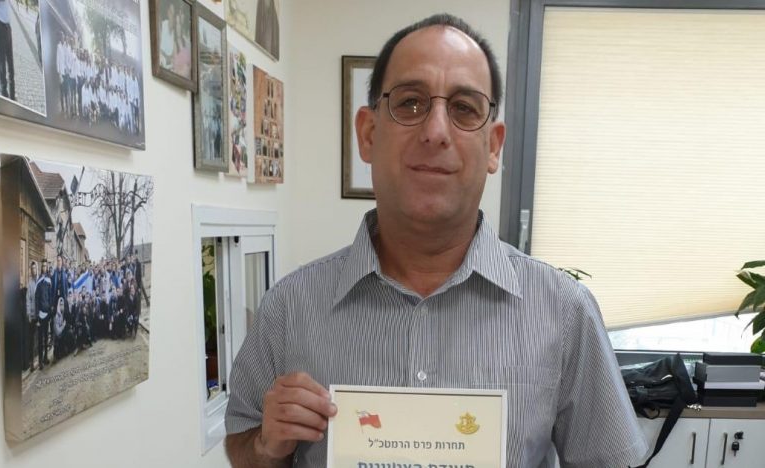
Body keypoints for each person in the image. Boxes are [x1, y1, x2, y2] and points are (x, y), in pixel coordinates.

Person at [224, 14, 647, 468]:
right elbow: (240, 444)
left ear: (493, 146)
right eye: (410, 103)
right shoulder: (289, 308)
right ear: (368, 134)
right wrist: (266, 446)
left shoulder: (564, 313)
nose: (436, 131)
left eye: (464, 108)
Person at [0, 0, 15, 100]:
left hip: (8, 26)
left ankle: (12, 94)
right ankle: (4, 93)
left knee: (10, 60)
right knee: (2, 62)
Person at [25, 261, 38, 371]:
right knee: (32, 339)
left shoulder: (41, 281)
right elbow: (28, 300)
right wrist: (29, 314)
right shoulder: (30, 284)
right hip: (33, 315)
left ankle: (39, 359)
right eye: (32, 268)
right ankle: (32, 362)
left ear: (37, 269)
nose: (34, 270)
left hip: (41, 315)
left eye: (35, 268)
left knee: (40, 338)